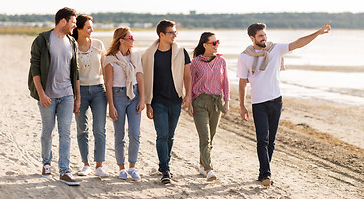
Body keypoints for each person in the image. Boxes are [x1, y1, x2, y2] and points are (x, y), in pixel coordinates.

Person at [237, 22, 331, 186]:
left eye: (265, 35)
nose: (264, 38)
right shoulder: (245, 56)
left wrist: (317, 33)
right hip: (258, 103)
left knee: (271, 141)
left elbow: (298, 43)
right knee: (262, 140)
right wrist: (242, 105)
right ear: (252, 38)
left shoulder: (275, 49)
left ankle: (263, 173)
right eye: (260, 36)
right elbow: (242, 82)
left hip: (276, 101)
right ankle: (266, 174)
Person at [28, 7, 81, 186]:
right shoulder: (43, 39)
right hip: (47, 95)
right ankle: (46, 162)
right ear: (63, 21)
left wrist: (77, 97)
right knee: (48, 131)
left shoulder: (72, 42)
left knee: (65, 132)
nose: (75, 25)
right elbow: (35, 68)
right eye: (73, 22)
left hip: (67, 95)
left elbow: (76, 72)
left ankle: (65, 171)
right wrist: (41, 94)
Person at [141, 20, 191, 184]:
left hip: (175, 100)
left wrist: (188, 95)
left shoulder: (181, 52)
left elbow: (187, 75)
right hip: (158, 101)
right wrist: (148, 104)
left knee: (170, 136)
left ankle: (164, 164)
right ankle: (165, 168)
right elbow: (147, 80)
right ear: (161, 34)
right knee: (162, 135)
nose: (175, 35)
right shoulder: (149, 55)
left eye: (176, 32)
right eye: (172, 32)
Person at [104, 27, 145, 181]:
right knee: (119, 135)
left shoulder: (135, 56)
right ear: (121, 39)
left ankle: (132, 167)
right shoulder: (110, 59)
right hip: (118, 96)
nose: (132, 39)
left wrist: (142, 99)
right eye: (130, 37)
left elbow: (140, 76)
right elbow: (108, 84)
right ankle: (121, 168)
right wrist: (111, 105)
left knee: (135, 133)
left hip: (134, 95)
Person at [72, 14, 109, 177]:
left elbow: (106, 69)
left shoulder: (98, 44)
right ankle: (86, 164)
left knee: (99, 129)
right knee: (82, 129)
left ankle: (99, 165)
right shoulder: (71, 45)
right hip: (79, 92)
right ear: (79, 29)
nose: (91, 30)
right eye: (88, 27)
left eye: (91, 27)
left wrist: (110, 92)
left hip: (99, 91)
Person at [190, 32, 230, 181]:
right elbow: (190, 83)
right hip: (200, 102)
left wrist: (227, 101)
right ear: (205, 45)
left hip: (216, 103)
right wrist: (189, 103)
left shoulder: (222, 61)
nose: (217, 45)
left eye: (217, 42)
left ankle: (202, 165)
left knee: (211, 138)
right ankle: (209, 169)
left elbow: (225, 82)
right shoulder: (195, 62)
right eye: (214, 43)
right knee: (205, 137)